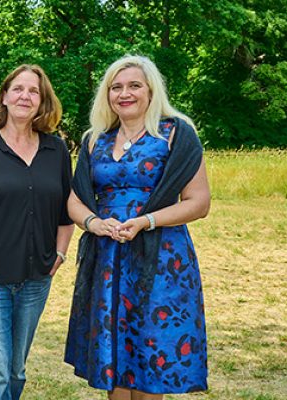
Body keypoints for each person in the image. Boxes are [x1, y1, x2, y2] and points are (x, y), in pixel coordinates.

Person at [64, 55, 210, 400]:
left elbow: (199, 202)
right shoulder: (95, 139)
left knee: (150, 355)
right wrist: (95, 223)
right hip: (108, 259)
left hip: (161, 260)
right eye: (116, 87)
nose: (124, 93)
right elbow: (74, 201)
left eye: (134, 86)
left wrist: (146, 221)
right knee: (114, 357)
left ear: (151, 91)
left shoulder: (175, 134)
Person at [0, 64, 73, 400]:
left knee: (16, 370)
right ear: (5, 97)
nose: (25, 96)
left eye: (34, 91)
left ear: (42, 101)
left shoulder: (56, 151)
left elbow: (67, 212)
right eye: (18, 89)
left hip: (36, 280)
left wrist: (60, 253)